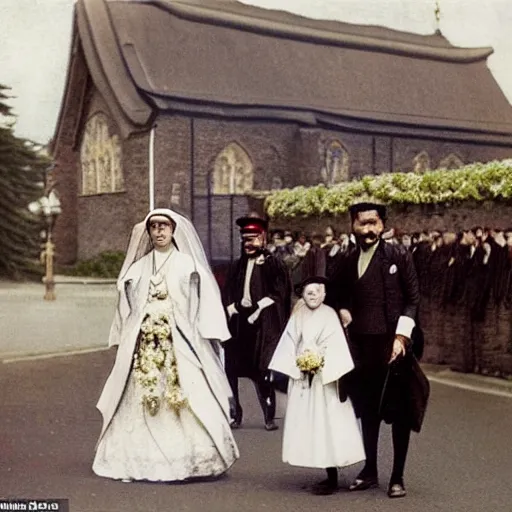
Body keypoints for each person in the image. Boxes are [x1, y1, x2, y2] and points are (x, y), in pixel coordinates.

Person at [93, 208, 239, 482]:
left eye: (164, 226)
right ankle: (138, 459)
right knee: (142, 396)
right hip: (146, 346)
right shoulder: (137, 269)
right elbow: (127, 306)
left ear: (173, 230)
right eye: (154, 227)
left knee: (186, 395)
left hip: (180, 344)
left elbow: (204, 302)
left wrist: (207, 332)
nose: (159, 231)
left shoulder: (189, 265)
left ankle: (195, 460)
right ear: (148, 232)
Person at [327, 202, 422, 498]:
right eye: (362, 223)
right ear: (352, 226)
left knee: (400, 411)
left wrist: (401, 338)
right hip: (361, 344)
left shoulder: (399, 255)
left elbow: (413, 299)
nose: (368, 230)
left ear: (382, 226)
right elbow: (336, 292)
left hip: (393, 345)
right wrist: (342, 309)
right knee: (367, 411)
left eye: (373, 223)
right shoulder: (346, 258)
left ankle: (397, 477)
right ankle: (370, 470)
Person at [269, 276, 365, 495]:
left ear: (324, 294)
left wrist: (320, 362)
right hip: (304, 378)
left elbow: (337, 345)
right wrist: (297, 362)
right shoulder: (298, 315)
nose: (313, 297)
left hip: (325, 380)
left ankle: (332, 476)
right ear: (303, 295)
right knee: (309, 424)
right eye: (308, 293)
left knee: (327, 423)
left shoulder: (330, 315)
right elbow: (290, 340)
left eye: (317, 293)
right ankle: (321, 466)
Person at [222, 215, 292, 431]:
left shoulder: (273, 264)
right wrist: (230, 306)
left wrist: (261, 307)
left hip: (262, 325)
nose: (248, 244)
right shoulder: (236, 266)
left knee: (261, 371)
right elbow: (227, 291)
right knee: (231, 370)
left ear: (262, 238)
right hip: (239, 323)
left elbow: (280, 292)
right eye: (245, 240)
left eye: (253, 239)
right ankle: (236, 414)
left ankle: (269, 416)